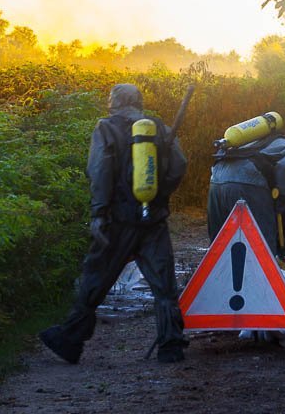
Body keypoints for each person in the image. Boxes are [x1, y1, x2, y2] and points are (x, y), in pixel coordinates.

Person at [39, 83, 189, 364]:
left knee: (96, 276)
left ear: (117, 102)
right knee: (163, 283)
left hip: (117, 220)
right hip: (153, 218)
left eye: (110, 98)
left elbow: (100, 171)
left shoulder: (105, 128)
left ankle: (71, 339)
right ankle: (171, 346)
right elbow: (179, 165)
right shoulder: (158, 127)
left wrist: (98, 213)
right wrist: (159, 196)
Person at [207, 134, 285, 263]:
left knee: (219, 239)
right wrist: (283, 196)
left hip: (217, 178)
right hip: (249, 182)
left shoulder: (272, 143)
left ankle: (211, 276)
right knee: (262, 242)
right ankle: (261, 279)